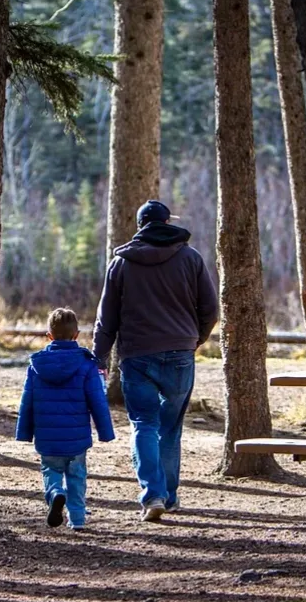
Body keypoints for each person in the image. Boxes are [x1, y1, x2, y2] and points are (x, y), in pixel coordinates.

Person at [93, 199, 219, 522]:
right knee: (170, 428)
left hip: (136, 357)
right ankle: (170, 496)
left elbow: (106, 319)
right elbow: (210, 310)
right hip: (180, 354)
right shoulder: (190, 259)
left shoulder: (121, 264)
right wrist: (195, 339)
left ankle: (153, 496)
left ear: (140, 227)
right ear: (166, 223)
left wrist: (99, 356)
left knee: (144, 425)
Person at [16, 307, 114, 530]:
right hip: (77, 437)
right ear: (76, 335)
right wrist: (105, 432)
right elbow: (97, 400)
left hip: (47, 436)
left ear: (49, 336)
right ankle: (77, 520)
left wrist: (24, 432)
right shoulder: (87, 364)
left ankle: (55, 493)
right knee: (77, 476)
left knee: (50, 470)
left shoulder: (36, 366)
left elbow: (27, 400)